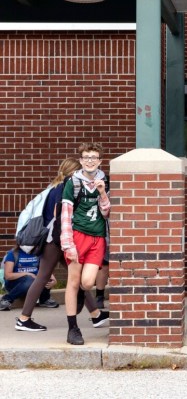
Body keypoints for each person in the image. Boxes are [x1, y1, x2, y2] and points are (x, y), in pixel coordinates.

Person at [14, 158, 106, 333]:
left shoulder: (54, 187)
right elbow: (60, 218)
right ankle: (23, 319)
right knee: (43, 277)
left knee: (75, 278)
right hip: (55, 241)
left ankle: (96, 314)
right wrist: (67, 241)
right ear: (74, 172)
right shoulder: (64, 188)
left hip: (57, 240)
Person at [60, 143, 113, 345]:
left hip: (97, 238)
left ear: (100, 161)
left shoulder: (104, 181)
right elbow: (66, 214)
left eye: (94, 157)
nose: (90, 160)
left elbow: (107, 213)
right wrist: (68, 244)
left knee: (88, 282)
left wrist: (102, 193)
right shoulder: (72, 182)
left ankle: (82, 295)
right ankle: (73, 328)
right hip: (77, 236)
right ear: (81, 160)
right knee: (73, 282)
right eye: (86, 157)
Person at [1, 244, 57, 311]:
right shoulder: (12, 254)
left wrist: (53, 280)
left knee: (47, 278)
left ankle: (44, 299)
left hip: (34, 282)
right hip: (16, 284)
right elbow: (8, 276)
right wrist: (27, 274)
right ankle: (7, 299)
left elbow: (45, 269)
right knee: (29, 279)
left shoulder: (38, 253)